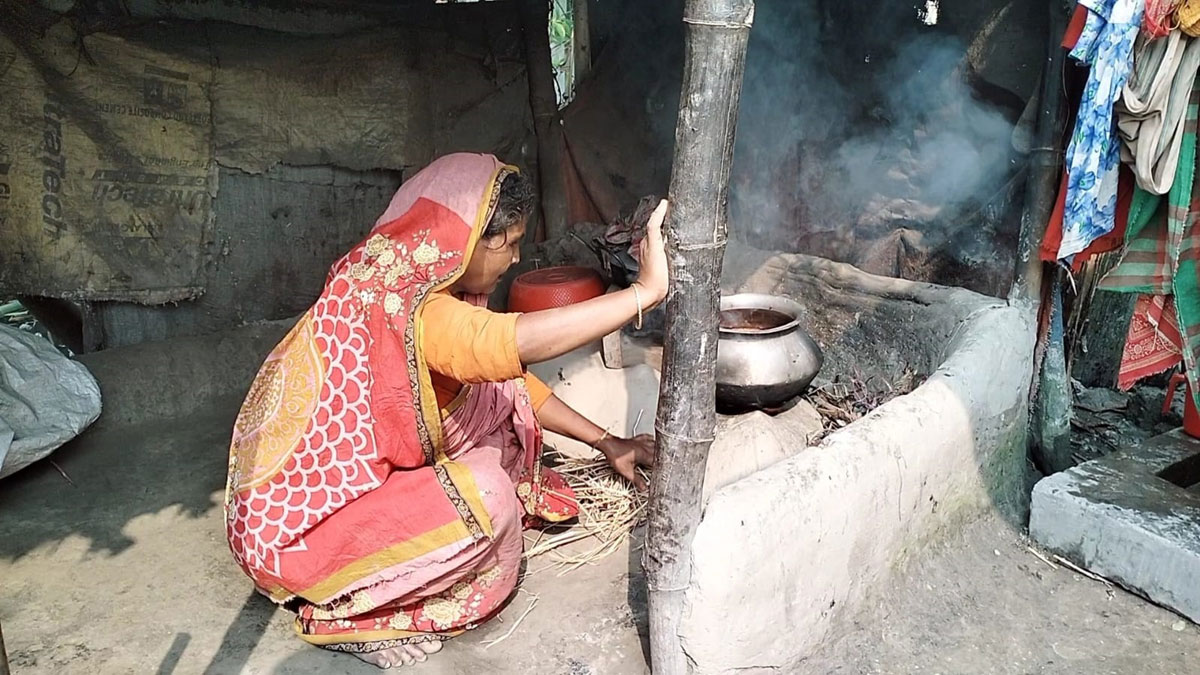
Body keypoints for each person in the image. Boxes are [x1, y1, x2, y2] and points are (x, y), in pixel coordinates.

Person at [224, 153, 668, 668]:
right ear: (470, 238)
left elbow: (511, 382)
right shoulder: (419, 312)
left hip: (312, 498)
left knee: (499, 414)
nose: (517, 259)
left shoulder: (403, 276)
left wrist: (606, 442)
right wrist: (645, 293)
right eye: (513, 242)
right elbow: (516, 342)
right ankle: (345, 615)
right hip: (299, 531)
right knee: (487, 497)